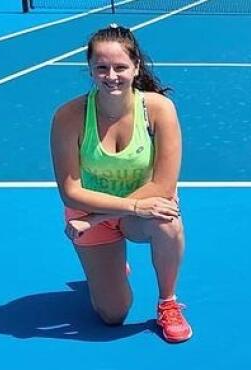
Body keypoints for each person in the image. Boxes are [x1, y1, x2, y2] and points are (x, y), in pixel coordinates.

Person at [51, 24, 192, 342]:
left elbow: (164, 185)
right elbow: (71, 191)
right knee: (113, 315)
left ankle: (167, 302)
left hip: (126, 214)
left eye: (120, 67)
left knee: (167, 219)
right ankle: (112, 267)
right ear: (89, 69)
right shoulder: (68, 116)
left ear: (136, 67)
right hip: (90, 214)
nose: (111, 76)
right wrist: (118, 210)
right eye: (101, 67)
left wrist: (99, 217)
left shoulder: (158, 109)